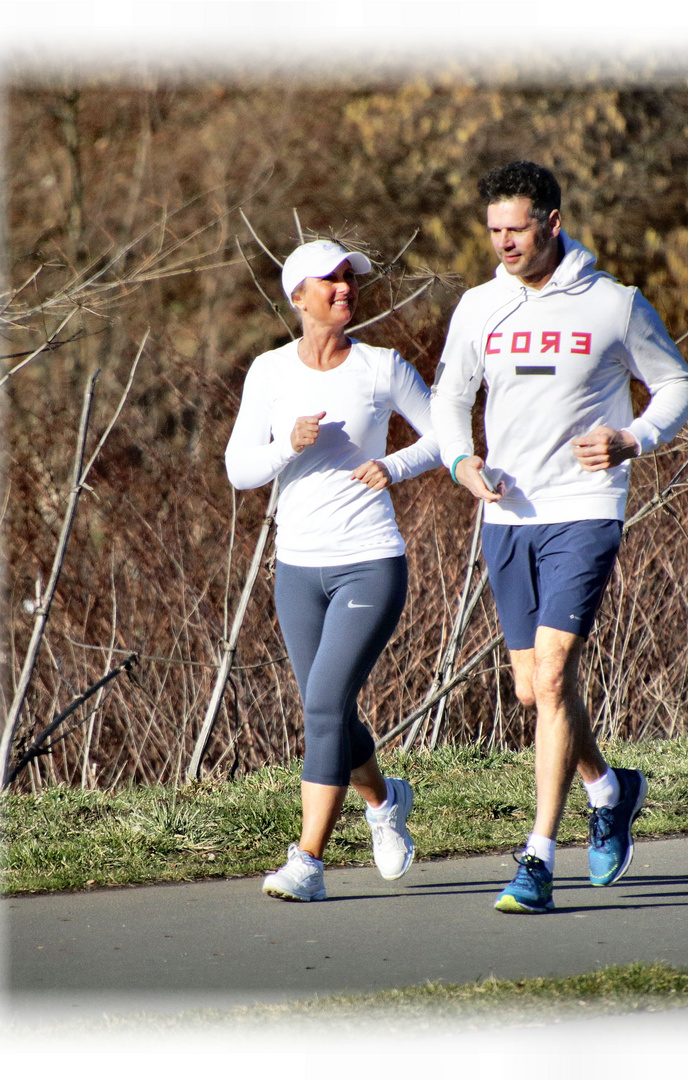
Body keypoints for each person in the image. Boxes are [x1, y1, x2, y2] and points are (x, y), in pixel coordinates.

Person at [430, 161, 688, 913]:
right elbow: (449, 399)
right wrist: (460, 462)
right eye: (493, 231)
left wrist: (633, 437)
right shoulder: (479, 307)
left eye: (517, 228)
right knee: (532, 688)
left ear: (552, 221)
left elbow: (679, 384)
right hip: (506, 513)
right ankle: (611, 791)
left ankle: (538, 859)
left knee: (552, 678)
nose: (504, 243)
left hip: (585, 505)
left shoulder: (614, 305)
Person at [225, 239, 442, 901]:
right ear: (298, 297)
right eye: (332, 283)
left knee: (321, 705)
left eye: (350, 281)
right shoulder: (268, 372)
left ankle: (308, 862)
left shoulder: (381, 368)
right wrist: (285, 448)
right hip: (297, 570)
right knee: (332, 711)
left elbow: (447, 437)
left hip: (369, 563)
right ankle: (384, 802)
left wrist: (395, 465)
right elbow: (239, 472)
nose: (345, 291)